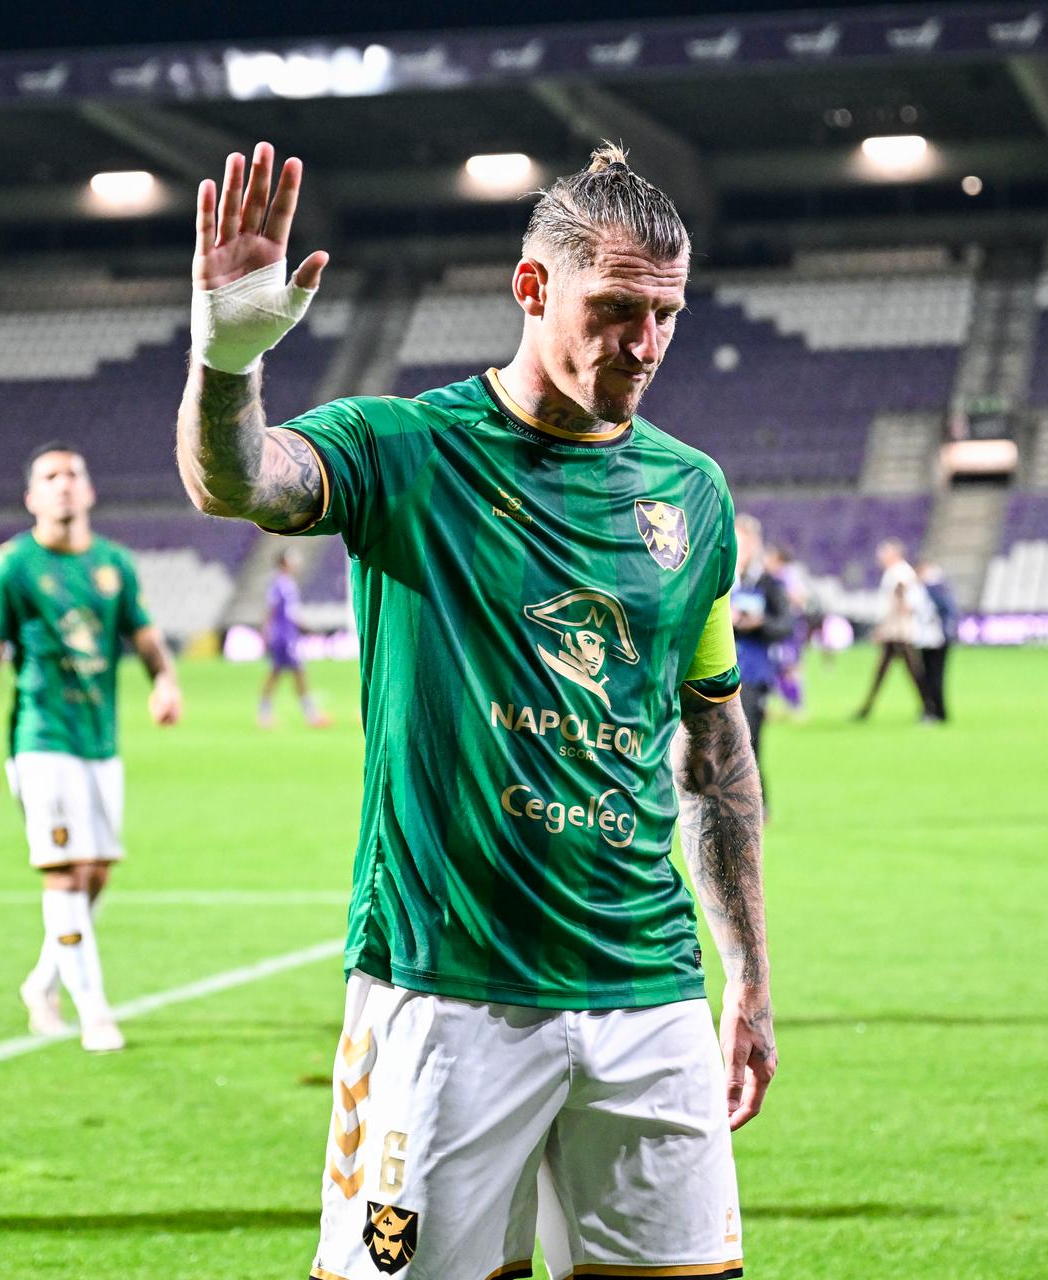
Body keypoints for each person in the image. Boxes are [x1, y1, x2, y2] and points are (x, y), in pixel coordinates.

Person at [178, 141, 772, 1279]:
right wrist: (227, 358)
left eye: (666, 316)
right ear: (532, 287)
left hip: (650, 991)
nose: (644, 344)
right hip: (446, 994)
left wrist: (745, 969)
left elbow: (712, 749)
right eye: (615, 309)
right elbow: (237, 479)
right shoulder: (405, 450)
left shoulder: (694, 495)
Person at [0, 442, 184, 1054]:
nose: (63, 484)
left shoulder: (114, 564)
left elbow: (144, 635)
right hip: (42, 739)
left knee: (96, 872)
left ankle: (42, 982)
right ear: (31, 497)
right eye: (50, 476)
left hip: (100, 741)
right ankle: (94, 1012)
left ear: (89, 491)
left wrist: (165, 681)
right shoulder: (11, 566)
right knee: (62, 872)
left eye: (73, 474)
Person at [730, 517, 793, 817]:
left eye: (744, 544)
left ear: (755, 545)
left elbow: (785, 625)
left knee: (749, 741)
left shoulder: (768, 584)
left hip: (753, 675)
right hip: (717, 675)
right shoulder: (720, 581)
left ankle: (757, 806)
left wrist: (759, 623)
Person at [853, 538, 932, 722]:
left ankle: (928, 707)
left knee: (911, 669)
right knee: (887, 669)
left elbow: (902, 592)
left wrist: (884, 625)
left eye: (883, 554)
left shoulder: (899, 571)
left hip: (898, 629)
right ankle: (867, 708)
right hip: (894, 628)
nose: (880, 558)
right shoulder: (896, 571)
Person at [257, 551, 331, 728]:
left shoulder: (285, 583)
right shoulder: (281, 584)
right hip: (284, 636)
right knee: (295, 672)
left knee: (279, 672)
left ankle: (265, 713)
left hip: (286, 635)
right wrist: (267, 631)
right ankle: (310, 715)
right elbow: (276, 610)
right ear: (284, 563)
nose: (296, 564)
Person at [763, 543, 809, 720]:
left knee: (790, 667)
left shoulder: (788, 575)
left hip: (790, 629)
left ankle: (798, 707)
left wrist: (783, 596)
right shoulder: (772, 577)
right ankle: (787, 704)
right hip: (778, 629)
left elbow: (800, 599)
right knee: (778, 667)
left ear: (778, 559)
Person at [916, 560, 957, 723]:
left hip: (934, 638)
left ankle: (936, 711)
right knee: (933, 675)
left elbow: (944, 611)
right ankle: (936, 710)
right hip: (935, 637)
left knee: (933, 675)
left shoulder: (932, 588)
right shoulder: (939, 587)